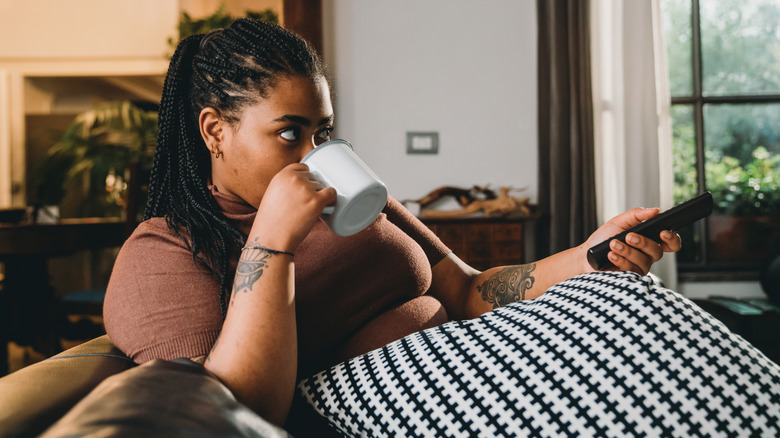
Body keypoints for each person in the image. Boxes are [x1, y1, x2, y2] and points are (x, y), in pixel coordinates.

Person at [103, 19, 681, 427]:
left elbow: (469, 288)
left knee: (649, 320)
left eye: (322, 133)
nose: (312, 153)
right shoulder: (163, 253)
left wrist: (589, 255)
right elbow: (233, 411)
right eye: (289, 133)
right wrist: (272, 239)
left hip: (486, 353)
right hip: (414, 405)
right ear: (214, 131)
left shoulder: (351, 193)